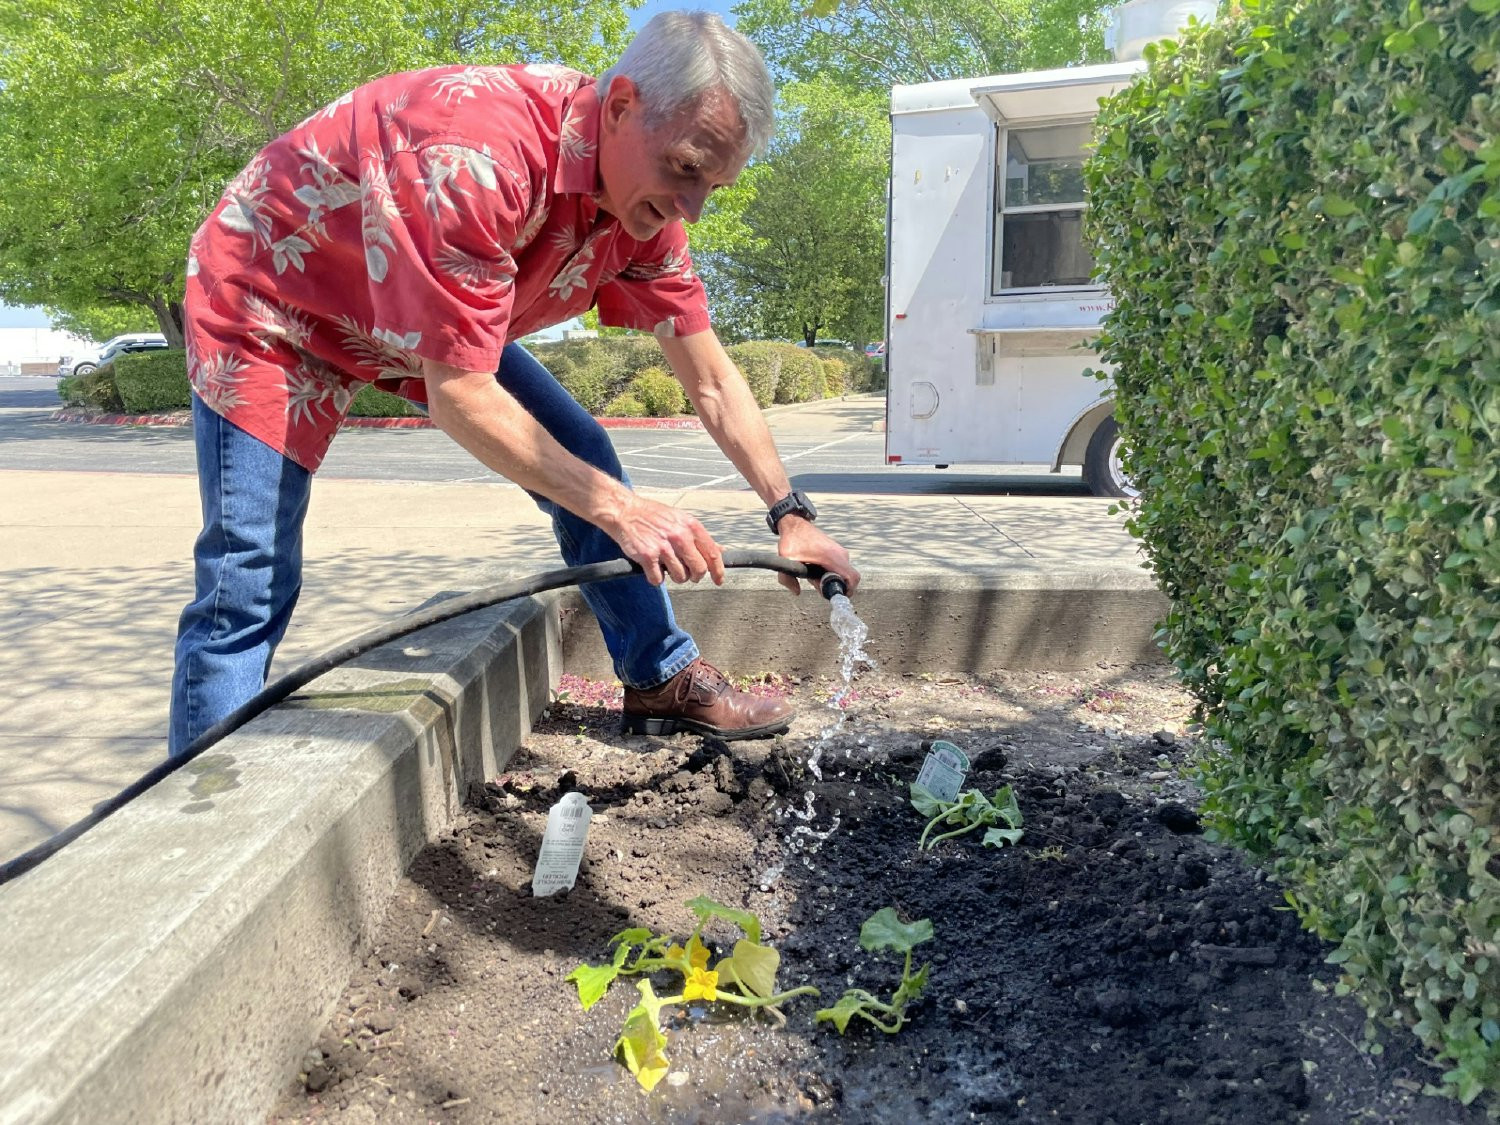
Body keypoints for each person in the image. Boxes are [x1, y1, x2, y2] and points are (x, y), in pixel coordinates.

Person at [168, 11, 860, 758]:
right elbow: (460, 395)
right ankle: (203, 812)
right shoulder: (478, 156)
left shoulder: (647, 216)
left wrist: (789, 511)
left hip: (410, 298)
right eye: (686, 168)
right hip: (275, 294)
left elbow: (714, 379)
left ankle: (658, 675)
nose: (689, 208)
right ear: (621, 105)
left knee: (580, 446)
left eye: (713, 186)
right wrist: (619, 507)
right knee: (249, 576)